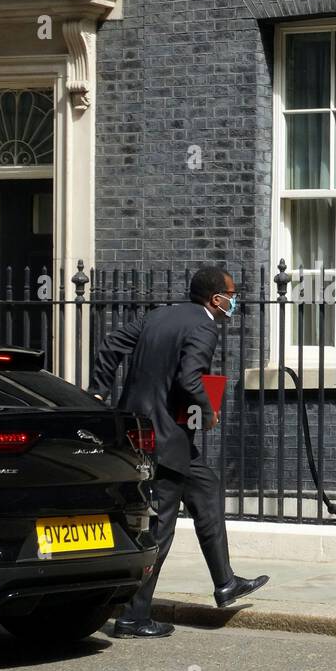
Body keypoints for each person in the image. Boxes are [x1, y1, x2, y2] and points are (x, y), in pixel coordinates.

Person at [90, 265, 268, 639]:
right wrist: (208, 410)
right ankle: (133, 617)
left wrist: (97, 391)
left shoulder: (158, 315)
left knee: (206, 490)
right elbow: (189, 378)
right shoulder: (205, 325)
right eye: (231, 296)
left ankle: (225, 583)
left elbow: (110, 346)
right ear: (215, 299)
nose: (234, 302)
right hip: (166, 437)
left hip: (144, 429)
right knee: (161, 526)